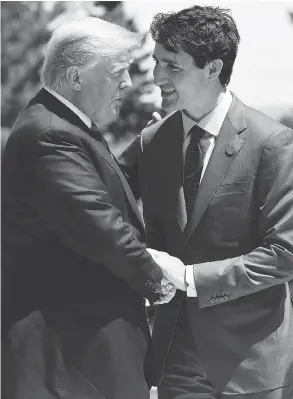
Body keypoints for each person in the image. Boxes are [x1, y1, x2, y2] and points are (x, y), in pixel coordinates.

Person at [119, 5, 293, 399]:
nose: (157, 76)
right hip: (175, 361)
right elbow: (103, 199)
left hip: (248, 364)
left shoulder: (273, 143)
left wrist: (191, 279)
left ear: (213, 68)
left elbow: (285, 253)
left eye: (172, 66)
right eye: (157, 62)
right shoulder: (151, 141)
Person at [1, 17, 178, 399]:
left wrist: (148, 146)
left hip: (83, 359)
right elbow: (100, 226)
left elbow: (99, 191)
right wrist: (159, 280)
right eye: (118, 71)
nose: (129, 83)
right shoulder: (49, 134)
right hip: (70, 363)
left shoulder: (64, 125)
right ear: (76, 77)